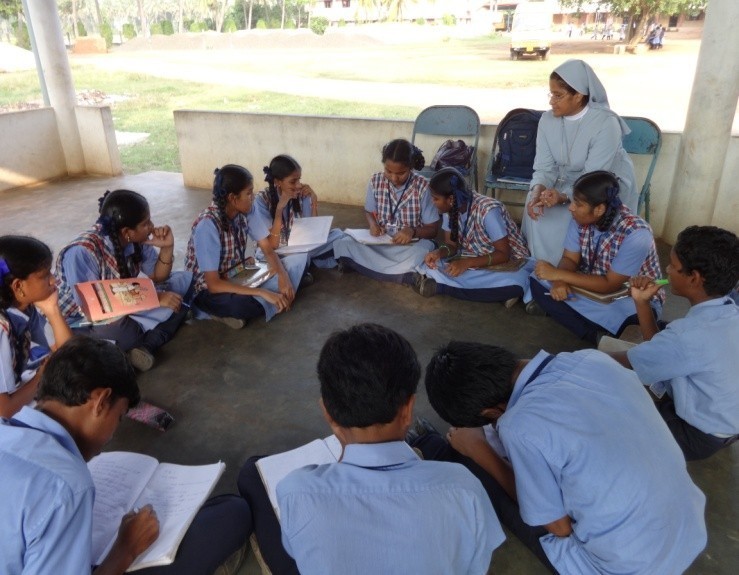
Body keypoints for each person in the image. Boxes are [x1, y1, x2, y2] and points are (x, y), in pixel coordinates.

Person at [419, 340, 707, 575]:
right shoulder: (592, 359)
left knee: (479, 466)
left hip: (630, 566)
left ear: (492, 413)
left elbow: (558, 526)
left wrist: (477, 449)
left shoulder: (519, 425)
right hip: (688, 531)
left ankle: (429, 444)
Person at [237, 323, 504, 575]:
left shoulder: (296, 491)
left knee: (252, 472)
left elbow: (298, 551)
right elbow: (476, 565)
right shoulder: (464, 488)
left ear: (327, 412)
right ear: (408, 409)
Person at [0, 336, 251, 575]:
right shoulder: (67, 487)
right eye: (118, 418)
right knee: (230, 515)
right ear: (100, 401)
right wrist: (125, 550)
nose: (111, 436)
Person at [610, 225, 739, 460]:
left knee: (608, 416)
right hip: (728, 423)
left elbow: (625, 362)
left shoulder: (688, 336)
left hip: (695, 436)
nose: (667, 270)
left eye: (672, 265)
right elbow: (661, 350)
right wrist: (642, 303)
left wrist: (572, 361)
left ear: (694, 278)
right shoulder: (730, 311)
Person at [56, 189, 191, 372]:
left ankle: (138, 346)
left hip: (125, 306)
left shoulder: (135, 240)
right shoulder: (82, 252)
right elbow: (92, 308)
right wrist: (155, 299)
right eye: (146, 223)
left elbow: (159, 276)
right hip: (83, 319)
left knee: (182, 282)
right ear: (127, 231)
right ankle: (147, 342)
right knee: (124, 332)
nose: (151, 227)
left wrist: (167, 248)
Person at [522, 59, 638, 264]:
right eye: (551, 94)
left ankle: (570, 271)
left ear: (579, 96)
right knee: (536, 209)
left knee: (574, 214)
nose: (551, 102)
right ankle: (539, 270)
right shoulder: (547, 120)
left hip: (602, 185)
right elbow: (544, 167)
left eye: (558, 95)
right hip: (562, 182)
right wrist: (538, 190)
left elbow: (594, 177)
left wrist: (564, 197)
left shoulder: (606, 123)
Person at [528, 171, 662, 344]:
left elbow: (609, 284)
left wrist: (557, 275)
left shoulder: (637, 233)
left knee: (630, 319)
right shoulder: (579, 218)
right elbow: (570, 260)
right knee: (536, 279)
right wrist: (559, 282)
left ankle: (593, 333)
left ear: (599, 209)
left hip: (627, 297)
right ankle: (603, 336)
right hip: (589, 289)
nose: (571, 207)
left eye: (578, 203)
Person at [184, 164, 306, 330]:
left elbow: (267, 248)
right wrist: (262, 292)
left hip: (238, 274)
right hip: (209, 289)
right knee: (241, 305)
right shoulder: (208, 225)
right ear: (233, 198)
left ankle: (277, 292)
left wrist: (283, 276)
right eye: (249, 193)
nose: (253, 196)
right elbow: (213, 284)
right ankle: (212, 311)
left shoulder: (248, 209)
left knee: (296, 261)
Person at [413, 167, 532, 306]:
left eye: (435, 198)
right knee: (428, 265)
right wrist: (439, 252)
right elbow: (451, 246)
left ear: (450, 199)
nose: (432, 202)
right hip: (475, 259)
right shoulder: (448, 210)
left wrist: (466, 263)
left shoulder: (488, 211)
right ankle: (497, 292)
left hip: (508, 262)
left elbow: (503, 254)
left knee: (518, 280)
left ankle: (442, 287)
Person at [332, 139, 440, 284]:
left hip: (409, 246)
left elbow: (433, 230)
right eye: (388, 171)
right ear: (383, 165)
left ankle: (363, 266)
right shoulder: (375, 181)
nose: (394, 178)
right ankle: (405, 275)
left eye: (401, 173)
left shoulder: (423, 186)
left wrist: (412, 231)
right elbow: (369, 212)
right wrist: (372, 224)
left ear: (411, 167)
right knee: (344, 243)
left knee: (422, 252)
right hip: (381, 241)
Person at [0, 236, 72, 418]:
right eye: (45, 275)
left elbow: (67, 352)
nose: (53, 280)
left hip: (26, 386)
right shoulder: (2, 328)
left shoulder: (26, 307)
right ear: (18, 286)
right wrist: (42, 375)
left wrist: (53, 310)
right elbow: (4, 411)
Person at [257, 154, 344, 274]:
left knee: (339, 235)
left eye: (299, 179)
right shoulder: (262, 200)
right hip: (276, 252)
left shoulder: (301, 193)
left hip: (300, 247)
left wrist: (313, 201)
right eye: (293, 181)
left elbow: (313, 234)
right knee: (297, 258)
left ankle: (302, 266)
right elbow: (272, 245)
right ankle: (302, 266)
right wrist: (279, 210)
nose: (298, 185)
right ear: (277, 182)